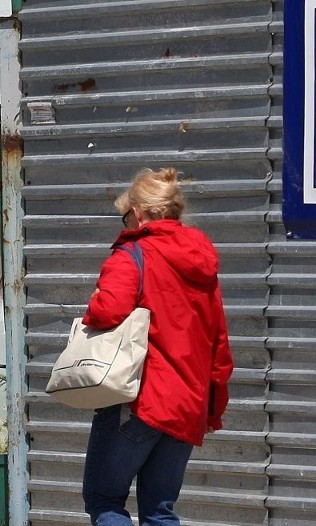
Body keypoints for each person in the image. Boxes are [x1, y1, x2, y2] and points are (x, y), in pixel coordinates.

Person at [81, 167, 233, 525]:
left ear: (137, 213)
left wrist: (94, 305)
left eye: (124, 218)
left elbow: (109, 309)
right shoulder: (202, 262)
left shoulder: (134, 254)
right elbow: (219, 345)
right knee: (160, 510)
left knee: (104, 499)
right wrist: (212, 409)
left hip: (141, 400)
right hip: (187, 406)